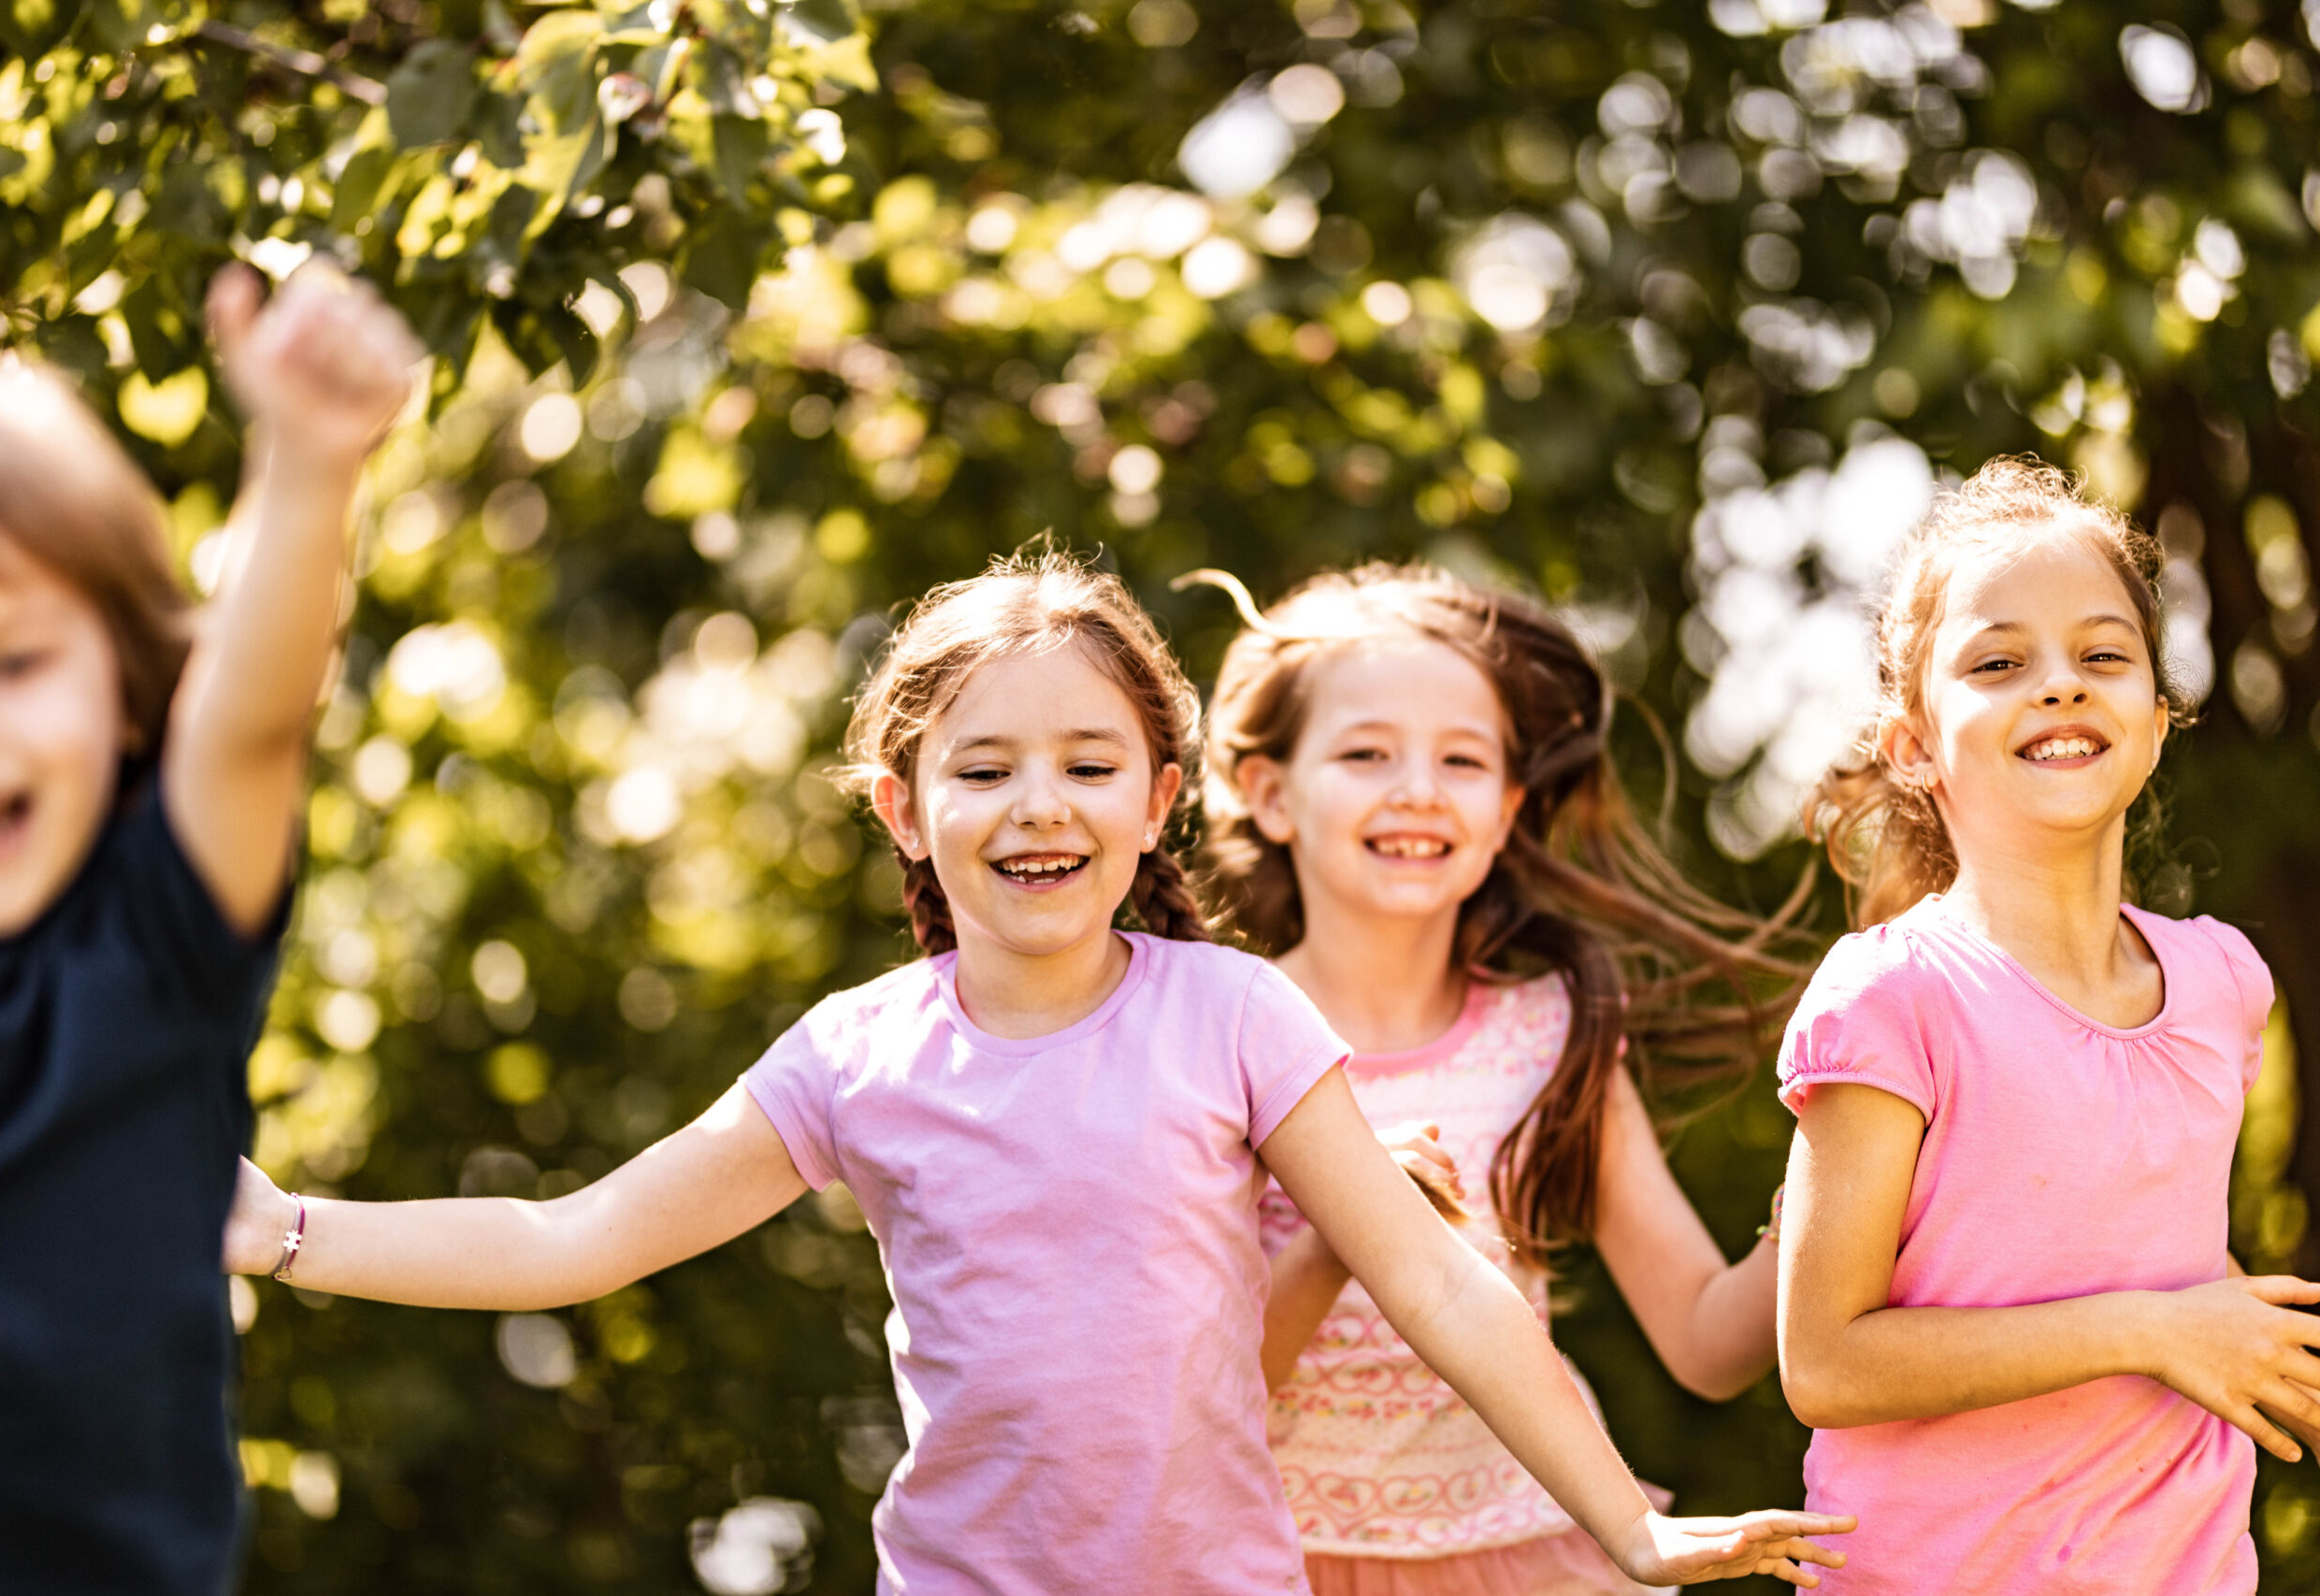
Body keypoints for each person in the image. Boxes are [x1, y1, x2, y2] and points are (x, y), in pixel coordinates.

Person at [223, 552, 1851, 1594]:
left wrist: (1628, 1525)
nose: (1039, 805)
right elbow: (569, 1237)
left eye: (1087, 764)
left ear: (1158, 798)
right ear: (902, 804)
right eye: (984, 768)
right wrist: (281, 1229)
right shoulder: (856, 1055)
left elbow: (1432, 1278)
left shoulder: (1235, 1016)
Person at [0, 265, 420, 1594]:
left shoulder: (152, 939)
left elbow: (251, 714)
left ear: (131, 690)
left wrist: (309, 462)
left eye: (15, 661)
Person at [1191, 564, 1806, 1596]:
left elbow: (1707, 1345)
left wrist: (1818, 1207)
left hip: (1533, 1558)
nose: (1418, 788)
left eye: (1462, 759)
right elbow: (1200, 1397)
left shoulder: (1546, 1035)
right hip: (1270, 1564)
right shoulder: (1205, 1040)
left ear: (1508, 806)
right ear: (1270, 793)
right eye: (1366, 752)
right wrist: (1348, 1227)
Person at [1775, 457, 2316, 1592]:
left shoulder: (2221, 980)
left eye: (2102, 655)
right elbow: (1824, 1362)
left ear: (2155, 725)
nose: (2061, 685)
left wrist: (2248, 1346)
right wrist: (2151, 1332)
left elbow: (2154, 1247)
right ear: (1914, 745)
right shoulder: (1890, 997)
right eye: (1998, 663)